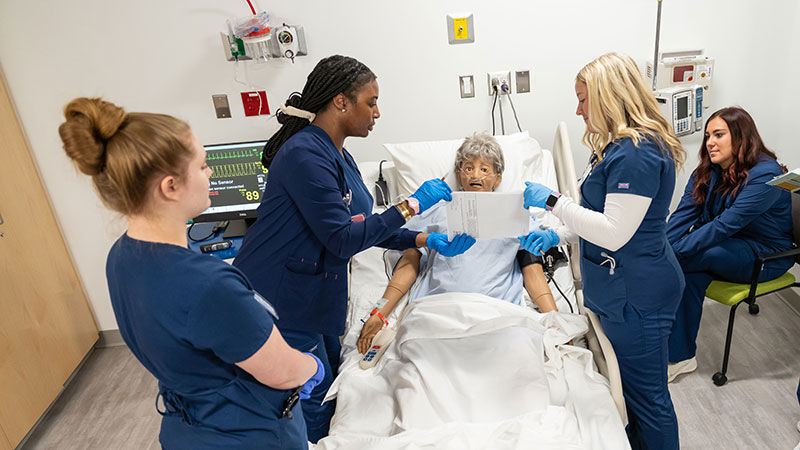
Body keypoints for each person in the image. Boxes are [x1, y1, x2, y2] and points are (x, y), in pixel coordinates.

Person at [58, 97, 325, 449]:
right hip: (248, 436)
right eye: (202, 166)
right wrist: (311, 366)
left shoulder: (120, 258)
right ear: (170, 186)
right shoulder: (209, 286)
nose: (210, 172)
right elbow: (282, 373)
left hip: (186, 430)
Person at [232, 55, 474, 442]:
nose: (377, 111)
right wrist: (411, 204)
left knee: (326, 386)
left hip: (314, 292)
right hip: (279, 297)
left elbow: (362, 228)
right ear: (341, 102)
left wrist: (423, 239)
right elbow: (343, 239)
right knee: (304, 392)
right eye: (371, 101)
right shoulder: (304, 155)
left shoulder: (339, 155)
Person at [518, 52, 686, 449]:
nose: (577, 110)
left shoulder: (638, 152)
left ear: (609, 95)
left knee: (649, 400)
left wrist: (553, 201)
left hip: (639, 295)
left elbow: (614, 232)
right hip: (621, 289)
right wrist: (559, 235)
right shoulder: (614, 148)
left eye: (582, 99)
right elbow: (598, 215)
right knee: (630, 393)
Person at [356, 134, 562, 354]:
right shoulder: (436, 210)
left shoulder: (516, 214)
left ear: (498, 179)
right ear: (458, 175)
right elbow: (408, 260)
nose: (476, 175)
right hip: (437, 310)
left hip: (496, 312)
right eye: (468, 168)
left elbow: (532, 267)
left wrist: (556, 322)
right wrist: (378, 313)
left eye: (485, 169)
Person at [665, 107, 793, 381]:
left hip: (765, 256)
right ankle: (679, 356)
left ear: (741, 136)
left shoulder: (765, 175)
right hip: (725, 247)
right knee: (688, 269)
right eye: (708, 135)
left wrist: (663, 256)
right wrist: (660, 248)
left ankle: (645, 329)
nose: (710, 142)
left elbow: (724, 226)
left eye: (719, 135)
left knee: (694, 254)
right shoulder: (708, 171)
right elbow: (682, 216)